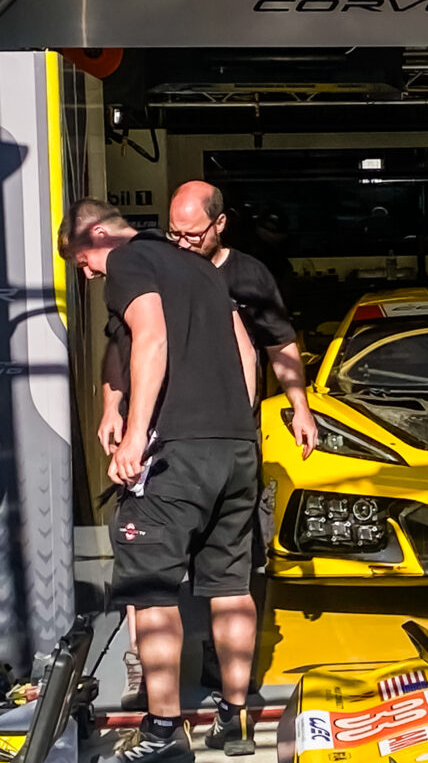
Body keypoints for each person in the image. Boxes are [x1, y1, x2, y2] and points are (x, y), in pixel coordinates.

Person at [99, 181, 319, 710]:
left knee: (200, 574)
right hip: (189, 439)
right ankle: (162, 685)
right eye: (173, 230)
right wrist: (112, 407)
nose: (181, 241)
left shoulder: (242, 274)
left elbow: (279, 341)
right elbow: (121, 344)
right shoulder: (162, 265)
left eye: (192, 232)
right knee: (171, 572)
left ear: (221, 224)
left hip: (208, 439)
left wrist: (300, 405)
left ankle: (209, 696)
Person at [59, 199, 261, 763]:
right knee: (230, 586)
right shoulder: (199, 264)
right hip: (236, 448)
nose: (88, 273)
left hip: (177, 454)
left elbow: (149, 338)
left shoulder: (128, 262)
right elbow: (246, 353)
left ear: (98, 235)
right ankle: (235, 717)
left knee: (149, 592)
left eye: (82, 260)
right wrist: (232, 425)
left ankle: (161, 733)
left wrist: (134, 436)